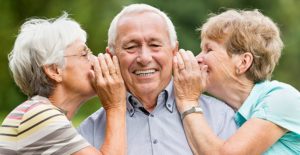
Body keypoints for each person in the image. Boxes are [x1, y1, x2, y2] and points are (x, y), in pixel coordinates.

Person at [77, 4, 237, 155]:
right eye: (131, 47)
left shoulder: (221, 117)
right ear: (112, 56)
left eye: (154, 45)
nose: (144, 58)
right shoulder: (88, 133)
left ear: (174, 51)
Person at [173, 9, 300, 154]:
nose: (197, 59)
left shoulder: (282, 98)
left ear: (243, 62)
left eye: (209, 50)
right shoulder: (219, 113)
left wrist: (188, 101)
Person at [0, 13, 127, 155]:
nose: (95, 60)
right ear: (54, 71)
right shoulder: (40, 116)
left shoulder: (39, 114)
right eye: (84, 55)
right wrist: (116, 106)